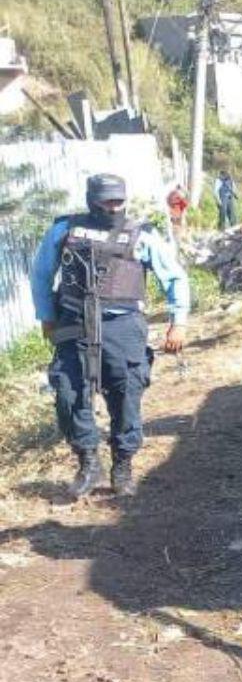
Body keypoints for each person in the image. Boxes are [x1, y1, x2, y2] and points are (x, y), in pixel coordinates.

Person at [30, 173, 190, 500]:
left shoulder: (141, 234)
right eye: (107, 201)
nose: (114, 206)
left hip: (123, 325)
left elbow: (174, 277)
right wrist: (47, 316)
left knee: (126, 393)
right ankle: (88, 462)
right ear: (92, 200)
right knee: (68, 392)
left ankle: (123, 465)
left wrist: (179, 321)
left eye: (119, 201)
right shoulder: (65, 229)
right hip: (74, 321)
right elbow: (41, 273)